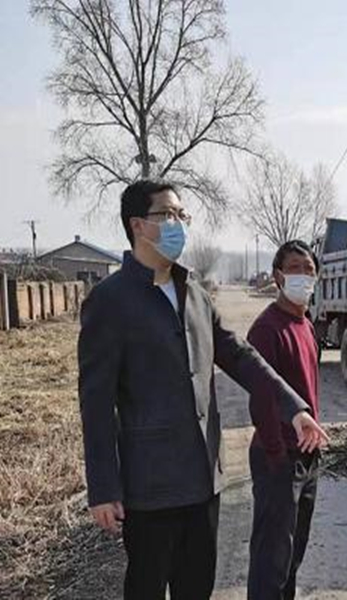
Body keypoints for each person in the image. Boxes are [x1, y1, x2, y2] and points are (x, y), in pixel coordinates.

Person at [77, 180, 328, 600]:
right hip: (149, 486)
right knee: (146, 588)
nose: (178, 224)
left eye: (182, 215)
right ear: (138, 225)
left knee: (197, 588)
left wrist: (294, 408)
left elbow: (241, 356)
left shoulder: (195, 293)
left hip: (202, 479)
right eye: (167, 215)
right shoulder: (110, 302)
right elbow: (96, 403)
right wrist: (103, 488)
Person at [246, 240, 323, 600]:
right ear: (278, 276)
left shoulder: (306, 325)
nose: (303, 276)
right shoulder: (267, 329)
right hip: (278, 457)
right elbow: (260, 401)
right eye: (294, 269)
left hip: (308, 456)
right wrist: (277, 454)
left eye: (309, 270)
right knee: (271, 559)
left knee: (292, 556)